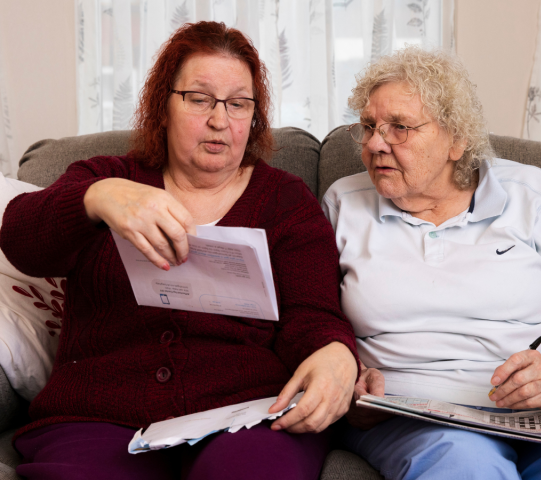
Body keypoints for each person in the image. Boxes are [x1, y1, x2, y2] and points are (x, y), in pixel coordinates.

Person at [0, 21, 359, 480]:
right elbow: (21, 243)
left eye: (238, 103)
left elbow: (313, 313)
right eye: (200, 98)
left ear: (254, 116)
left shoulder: (285, 201)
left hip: (247, 414)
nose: (219, 120)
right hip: (101, 413)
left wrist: (333, 351)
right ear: (163, 107)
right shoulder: (107, 175)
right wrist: (97, 197)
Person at [322, 46, 541, 480]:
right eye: (369, 127)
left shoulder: (531, 192)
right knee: (465, 465)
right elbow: (314, 318)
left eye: (399, 128)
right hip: (409, 413)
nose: (376, 143)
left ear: (457, 139)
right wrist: (351, 381)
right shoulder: (343, 202)